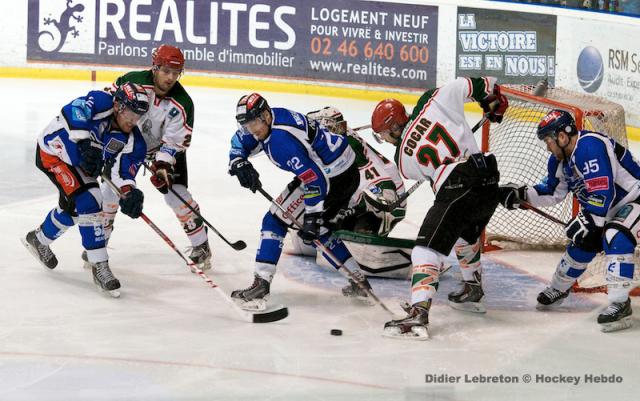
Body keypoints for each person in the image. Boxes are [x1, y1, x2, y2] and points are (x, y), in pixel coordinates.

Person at [370, 77, 508, 339]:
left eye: (384, 135)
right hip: (489, 178)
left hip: (458, 184)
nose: (386, 140)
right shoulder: (433, 99)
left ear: (393, 129)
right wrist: (492, 101)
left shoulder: (403, 161)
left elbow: (438, 181)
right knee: (463, 233)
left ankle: (418, 313)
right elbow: (480, 83)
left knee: (425, 249)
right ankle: (472, 290)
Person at [227, 93, 374, 311]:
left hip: (331, 177)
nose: (252, 129)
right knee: (318, 229)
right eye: (247, 124)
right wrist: (238, 161)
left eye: (254, 123)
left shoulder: (280, 142)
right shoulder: (271, 117)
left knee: (275, 220)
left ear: (266, 116)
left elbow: (314, 178)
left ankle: (261, 284)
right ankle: (359, 281)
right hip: (345, 169)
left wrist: (312, 215)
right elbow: (240, 139)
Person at [499, 109, 638, 332]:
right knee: (583, 241)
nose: (547, 147)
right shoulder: (560, 161)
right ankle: (558, 288)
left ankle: (620, 304)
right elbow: (551, 191)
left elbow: (604, 192)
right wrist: (522, 195)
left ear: (562, 137)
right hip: (608, 207)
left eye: (548, 141)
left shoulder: (589, 146)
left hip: (634, 199)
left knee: (615, 236)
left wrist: (588, 218)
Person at [22, 82, 150, 297]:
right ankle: (99, 264)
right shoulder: (101, 102)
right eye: (131, 112)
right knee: (90, 200)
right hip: (53, 153)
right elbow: (73, 111)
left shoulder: (134, 142)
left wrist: (129, 192)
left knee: (74, 210)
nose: (133, 120)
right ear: (118, 105)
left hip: (79, 167)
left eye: (139, 116)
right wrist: (83, 143)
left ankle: (39, 239)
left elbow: (123, 174)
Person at [95, 44, 212, 272]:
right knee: (111, 191)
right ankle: (99, 245)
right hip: (127, 144)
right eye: (166, 71)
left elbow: (175, 141)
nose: (171, 78)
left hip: (161, 150)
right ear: (155, 67)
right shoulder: (133, 81)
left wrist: (162, 164)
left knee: (175, 195)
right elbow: (109, 106)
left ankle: (201, 244)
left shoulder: (183, 103)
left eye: (176, 73)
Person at [284, 106, 407, 267]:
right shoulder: (334, 137)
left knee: (356, 216)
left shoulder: (349, 147)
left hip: (389, 198)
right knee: (312, 231)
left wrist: (385, 200)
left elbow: (381, 183)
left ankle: (365, 233)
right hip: (361, 192)